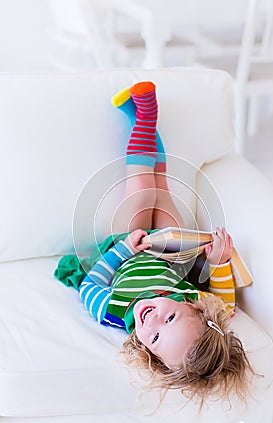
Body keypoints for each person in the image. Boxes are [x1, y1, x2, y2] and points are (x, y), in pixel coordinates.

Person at [78, 81, 254, 406]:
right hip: (168, 250)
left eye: (155, 337)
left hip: (127, 245)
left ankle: (145, 116)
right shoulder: (196, 299)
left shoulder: (115, 312)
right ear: (194, 309)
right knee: (161, 186)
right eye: (170, 318)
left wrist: (124, 250)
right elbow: (226, 306)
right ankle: (142, 119)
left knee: (144, 189)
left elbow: (90, 283)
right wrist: (218, 263)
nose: (152, 320)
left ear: (149, 352)